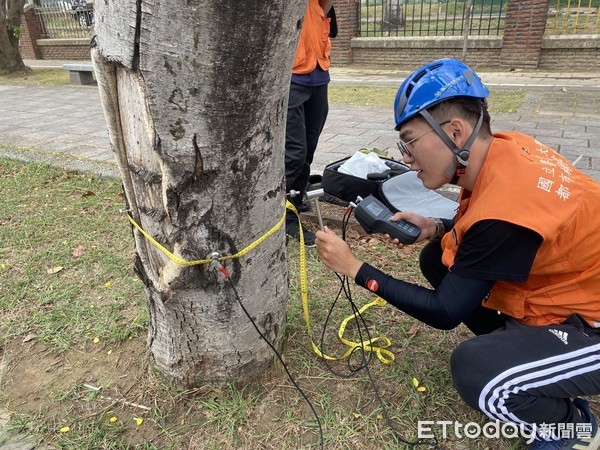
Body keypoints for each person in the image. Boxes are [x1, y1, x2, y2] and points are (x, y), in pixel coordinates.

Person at [315, 58, 600, 449]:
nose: (406, 157)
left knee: (477, 371)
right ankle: (532, 359)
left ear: (455, 131)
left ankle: (575, 428)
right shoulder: (509, 149)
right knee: (437, 257)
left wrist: (354, 267)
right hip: (575, 289)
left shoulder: (509, 209)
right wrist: (438, 228)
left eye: (409, 141)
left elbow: (444, 312)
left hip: (591, 323)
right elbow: (498, 235)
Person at [285, 0, 335, 247]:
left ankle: (295, 198)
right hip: (291, 73)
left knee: (308, 149)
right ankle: (284, 216)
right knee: (294, 153)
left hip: (318, 69)